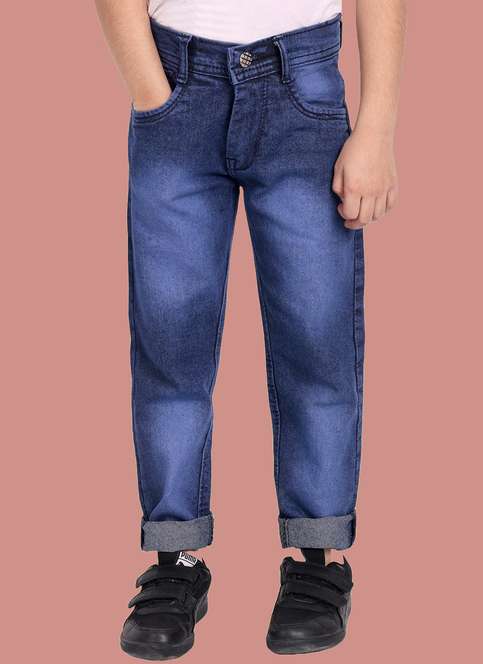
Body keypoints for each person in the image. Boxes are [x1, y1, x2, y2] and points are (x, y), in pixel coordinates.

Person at [95, 0, 406, 657]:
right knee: (170, 346)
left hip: (302, 85)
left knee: (316, 343)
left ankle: (319, 559)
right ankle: (175, 559)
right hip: (175, 78)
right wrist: (153, 96)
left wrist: (377, 123)